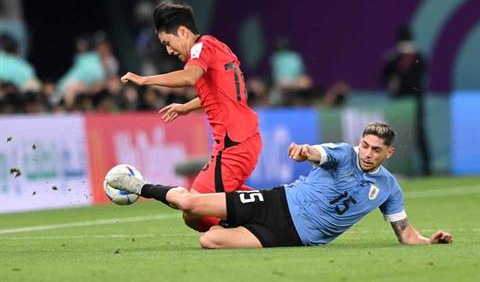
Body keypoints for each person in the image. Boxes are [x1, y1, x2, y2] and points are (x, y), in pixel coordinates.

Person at [107, 122, 453, 248]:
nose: (367, 153)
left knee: (208, 239)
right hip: (275, 203)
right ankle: (139, 185)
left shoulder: (390, 188)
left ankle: (231, 218)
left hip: (289, 237)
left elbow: (405, 235)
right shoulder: (345, 154)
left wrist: (429, 241)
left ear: (388, 153)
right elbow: (318, 152)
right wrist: (304, 152)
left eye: (376, 150)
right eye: (365, 145)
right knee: (191, 206)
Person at [120, 3, 262, 232]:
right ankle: (264, 208)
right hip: (242, 141)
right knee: (200, 210)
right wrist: (187, 107)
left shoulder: (201, 47)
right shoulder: (219, 47)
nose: (169, 51)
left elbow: (189, 77)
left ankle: (266, 215)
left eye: (168, 42)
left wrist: (145, 80)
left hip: (233, 146)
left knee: (193, 211)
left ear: (184, 32)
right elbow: (230, 95)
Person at [381, 26, 431, 175]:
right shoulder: (419, 56)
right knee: (420, 134)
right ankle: (426, 168)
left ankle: (398, 168)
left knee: (396, 134)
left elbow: (383, 76)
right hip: (416, 102)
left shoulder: (393, 56)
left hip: (399, 103)